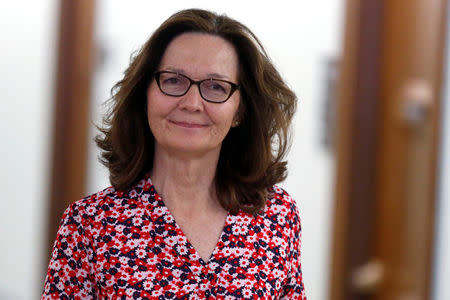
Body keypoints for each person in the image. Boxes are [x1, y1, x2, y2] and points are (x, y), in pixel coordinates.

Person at [42, 8, 306, 299]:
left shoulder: (277, 216)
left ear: (240, 110)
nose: (192, 103)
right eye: (173, 81)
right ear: (145, 94)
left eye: (216, 86)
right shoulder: (90, 224)